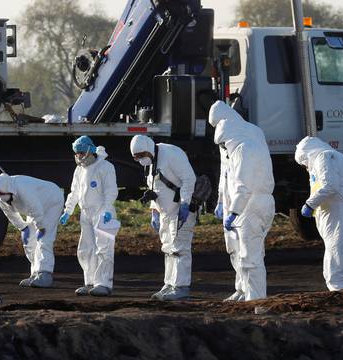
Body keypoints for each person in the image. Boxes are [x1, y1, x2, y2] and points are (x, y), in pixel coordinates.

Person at [212, 104, 275, 301]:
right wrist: (222, 200)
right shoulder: (233, 143)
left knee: (250, 257)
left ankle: (255, 300)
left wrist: (235, 211)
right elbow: (226, 174)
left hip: (249, 205)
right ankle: (243, 291)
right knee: (237, 250)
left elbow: (244, 185)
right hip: (240, 202)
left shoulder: (244, 147)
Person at [130, 135, 197, 301]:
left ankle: (181, 287)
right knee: (168, 249)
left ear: (149, 149)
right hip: (165, 212)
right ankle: (169, 284)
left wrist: (185, 203)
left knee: (179, 248)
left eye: (141, 155)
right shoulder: (151, 162)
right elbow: (156, 186)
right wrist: (154, 210)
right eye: (136, 157)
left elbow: (189, 178)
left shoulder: (172, 154)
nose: (140, 160)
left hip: (181, 211)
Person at [295, 136, 343, 291]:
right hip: (342, 214)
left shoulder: (323, 157)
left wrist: (310, 204)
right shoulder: (336, 158)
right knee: (337, 256)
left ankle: (342, 294)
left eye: (304, 163)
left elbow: (330, 186)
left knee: (337, 260)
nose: (306, 167)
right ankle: (341, 292)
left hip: (339, 214)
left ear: (306, 155)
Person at [60, 136, 119, 297]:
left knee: (104, 249)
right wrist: (68, 210)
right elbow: (74, 192)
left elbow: (111, 190)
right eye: (76, 153)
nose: (78, 155)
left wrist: (107, 209)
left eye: (80, 152)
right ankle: (90, 282)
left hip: (104, 213)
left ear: (89, 150)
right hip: (86, 214)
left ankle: (104, 284)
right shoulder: (79, 169)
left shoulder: (106, 167)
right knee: (86, 250)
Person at [0, 173, 64, 288]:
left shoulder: (22, 187)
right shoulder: (1, 193)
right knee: (29, 240)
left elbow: (35, 207)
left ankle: (44, 273)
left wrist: (40, 227)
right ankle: (35, 273)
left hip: (51, 202)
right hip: (34, 209)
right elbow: (9, 213)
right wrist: (23, 227)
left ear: (8, 189)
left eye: (1, 194)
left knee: (44, 238)